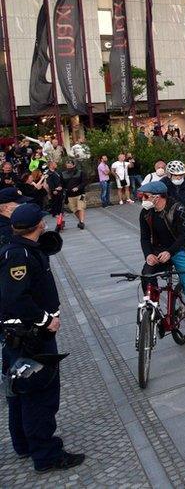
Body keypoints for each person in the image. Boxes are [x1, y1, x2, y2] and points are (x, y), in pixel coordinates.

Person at [0, 203, 85, 473]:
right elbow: (17, 298)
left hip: (20, 337)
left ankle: (24, 443)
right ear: (38, 225)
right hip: (31, 337)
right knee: (40, 395)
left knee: (20, 392)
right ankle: (46, 454)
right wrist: (46, 320)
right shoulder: (19, 255)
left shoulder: (20, 249)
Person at [137, 181, 185, 349]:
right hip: (158, 251)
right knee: (146, 275)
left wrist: (170, 252)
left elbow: (184, 235)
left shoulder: (177, 209)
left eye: (145, 196)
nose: (143, 199)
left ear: (157, 197)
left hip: (181, 250)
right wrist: (148, 254)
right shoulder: (145, 213)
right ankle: (155, 312)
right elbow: (144, 237)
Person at [60, 159, 86, 230]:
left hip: (80, 194)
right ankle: (81, 221)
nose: (68, 165)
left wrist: (78, 187)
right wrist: (60, 187)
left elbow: (84, 183)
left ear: (74, 165)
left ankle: (81, 222)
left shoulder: (80, 172)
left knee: (81, 207)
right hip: (69, 195)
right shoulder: (63, 174)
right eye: (67, 164)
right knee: (74, 210)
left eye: (70, 164)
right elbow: (62, 184)